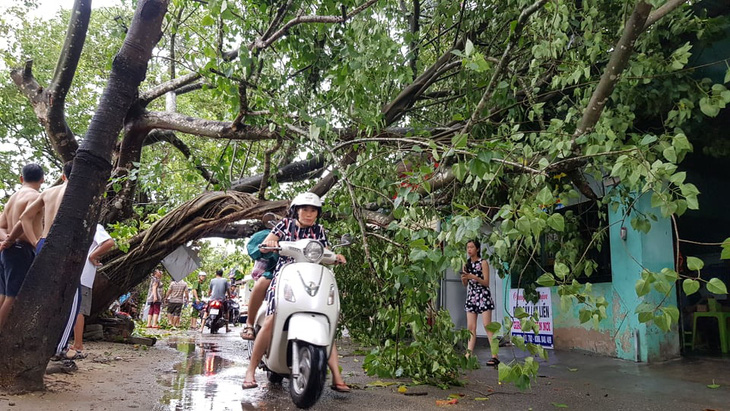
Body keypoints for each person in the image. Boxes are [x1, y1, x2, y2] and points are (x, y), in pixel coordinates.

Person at [242, 192, 350, 393]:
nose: (309, 214)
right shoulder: (284, 225)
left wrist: (336, 256)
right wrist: (271, 244)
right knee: (272, 319)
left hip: (313, 277)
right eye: (305, 209)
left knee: (325, 321)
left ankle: (336, 375)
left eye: (313, 211)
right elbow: (267, 242)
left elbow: (324, 252)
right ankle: (250, 371)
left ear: (318, 213)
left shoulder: (319, 230)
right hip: (286, 275)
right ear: (296, 211)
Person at [0, 163, 44, 329]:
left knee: (3, 294)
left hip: (7, 251)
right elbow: (23, 222)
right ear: (42, 179)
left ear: (21, 178)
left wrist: (7, 241)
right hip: (21, 249)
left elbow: (1, 226)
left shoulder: (12, 199)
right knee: (13, 296)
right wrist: (12, 240)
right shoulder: (35, 197)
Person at [67, 223, 115, 358]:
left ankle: (78, 345)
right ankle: (75, 343)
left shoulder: (92, 225)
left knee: (78, 309)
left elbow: (109, 242)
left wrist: (92, 255)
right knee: (76, 308)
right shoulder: (83, 225)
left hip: (82, 274)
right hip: (80, 274)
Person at [239, 213, 279, 341]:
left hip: (299, 272)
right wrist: (266, 248)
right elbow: (255, 248)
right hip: (275, 271)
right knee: (262, 282)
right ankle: (249, 324)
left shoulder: (310, 232)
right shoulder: (270, 233)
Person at [461, 239, 498, 366]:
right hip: (472, 296)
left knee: (488, 326)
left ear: (477, 249)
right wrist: (465, 279)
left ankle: (494, 355)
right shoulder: (466, 264)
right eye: (467, 247)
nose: (469, 249)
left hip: (483, 295)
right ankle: (468, 354)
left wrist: (474, 277)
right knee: (471, 327)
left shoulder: (483, 263)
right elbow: (466, 284)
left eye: (471, 247)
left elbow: (486, 282)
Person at [202, 269, 230, 333]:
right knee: (226, 311)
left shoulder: (212, 280)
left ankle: (201, 328)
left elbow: (210, 290)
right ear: (222, 274)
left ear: (216, 274)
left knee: (206, 311)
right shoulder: (225, 280)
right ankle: (227, 328)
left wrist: (209, 294)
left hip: (212, 299)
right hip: (221, 300)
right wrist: (229, 296)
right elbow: (228, 290)